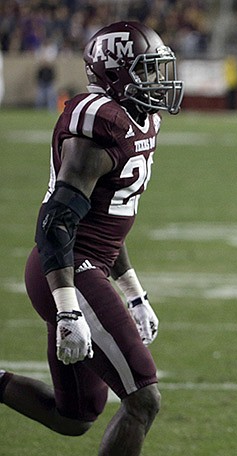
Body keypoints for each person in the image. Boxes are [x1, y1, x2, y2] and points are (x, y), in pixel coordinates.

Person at [0, 21, 183, 456]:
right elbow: (57, 222)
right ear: (116, 75)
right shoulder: (98, 124)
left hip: (88, 264)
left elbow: (107, 221)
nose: (159, 82)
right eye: (147, 71)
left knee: (75, 417)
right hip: (68, 269)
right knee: (143, 399)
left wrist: (134, 293)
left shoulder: (139, 118)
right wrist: (67, 310)